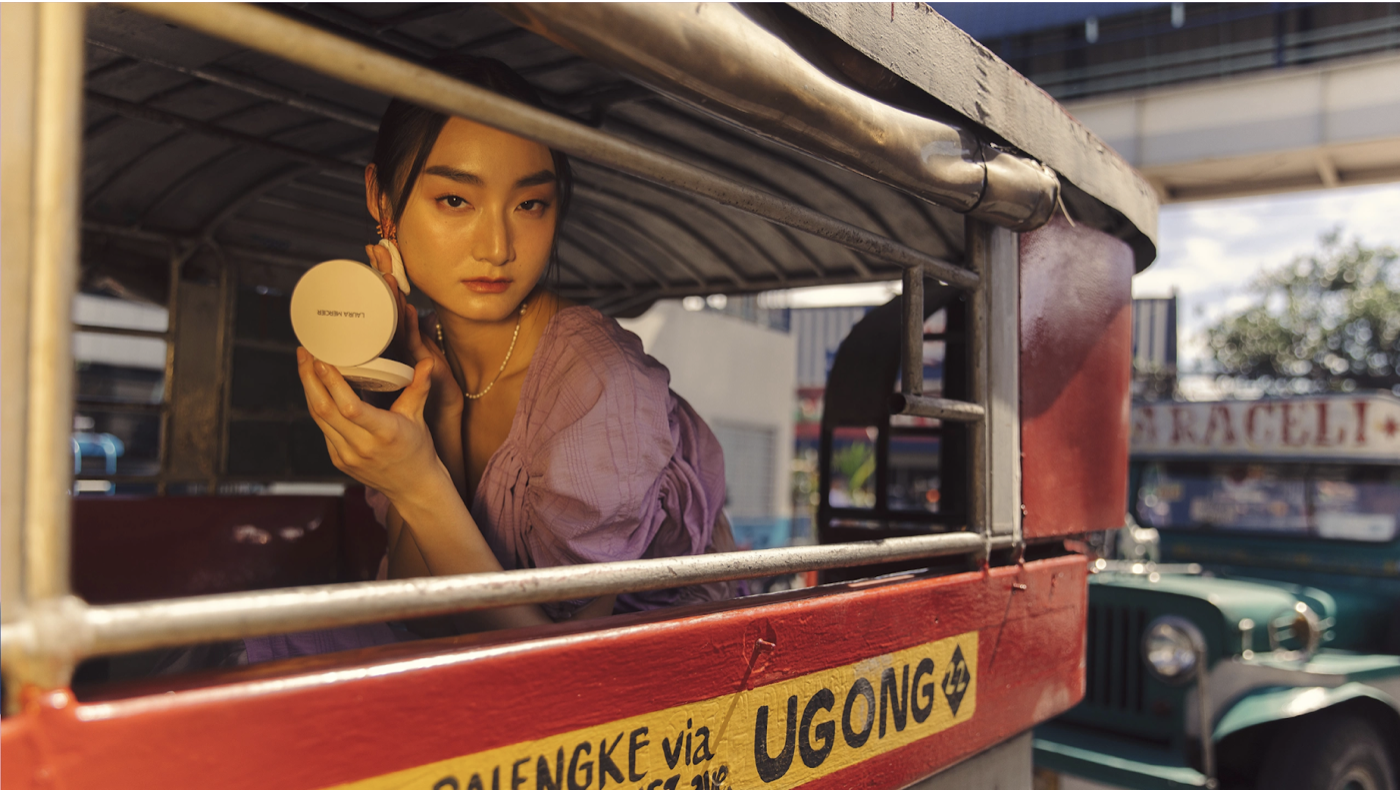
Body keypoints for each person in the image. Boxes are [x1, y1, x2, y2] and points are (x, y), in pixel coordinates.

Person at [247, 57, 736, 662]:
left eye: (530, 205)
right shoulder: (428, 356)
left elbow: (560, 669)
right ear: (382, 198)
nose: (497, 248)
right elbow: (419, 611)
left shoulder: (597, 380)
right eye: (456, 199)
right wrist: (440, 422)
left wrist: (418, 482)